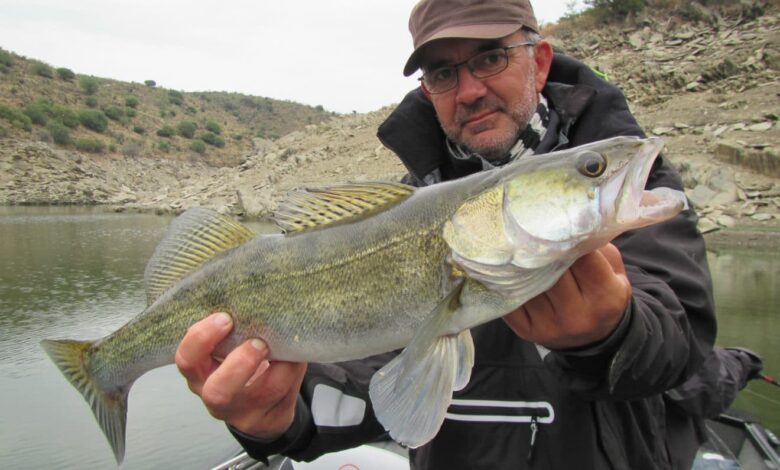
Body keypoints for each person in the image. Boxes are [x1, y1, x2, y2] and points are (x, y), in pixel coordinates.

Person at [175, 1, 723, 468]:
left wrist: (613, 333)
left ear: (540, 59)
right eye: (442, 73)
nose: (468, 90)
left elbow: (683, 343)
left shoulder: (615, 197)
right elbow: (366, 384)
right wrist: (276, 419)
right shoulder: (397, 215)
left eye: (490, 57)